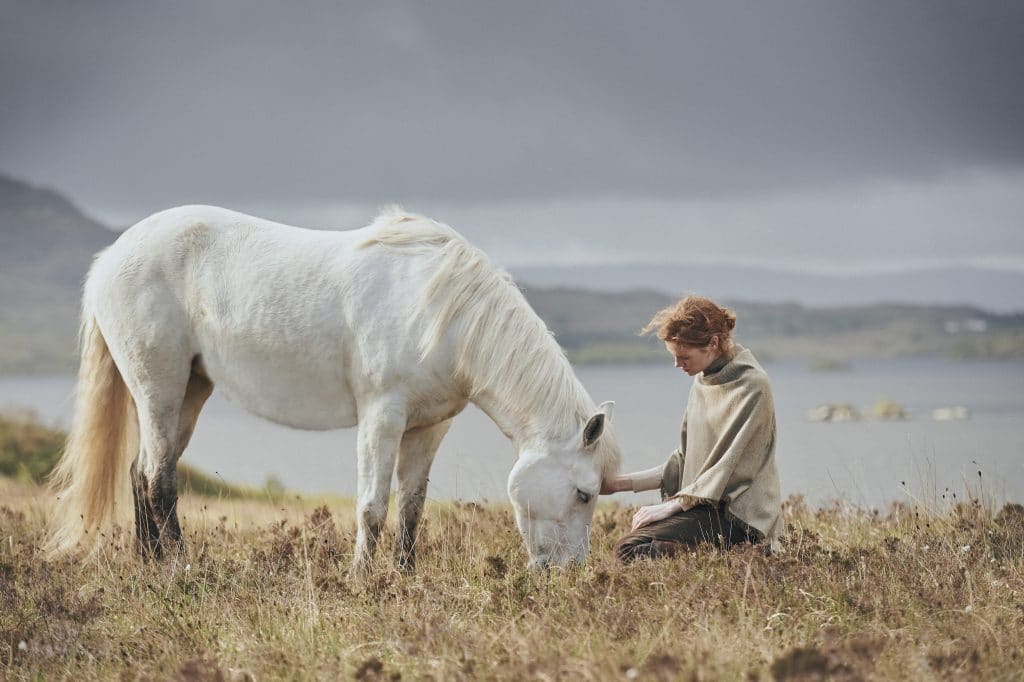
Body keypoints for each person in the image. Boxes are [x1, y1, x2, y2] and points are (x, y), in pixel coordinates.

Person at [602, 295, 783, 562]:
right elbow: (684, 460)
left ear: (712, 343)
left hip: (739, 516)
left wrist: (674, 505)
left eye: (683, 356)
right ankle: (718, 559)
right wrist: (617, 485)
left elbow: (725, 466)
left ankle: (731, 558)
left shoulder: (753, 386)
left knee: (629, 549)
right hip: (703, 505)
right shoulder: (702, 382)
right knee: (635, 540)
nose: (677, 365)